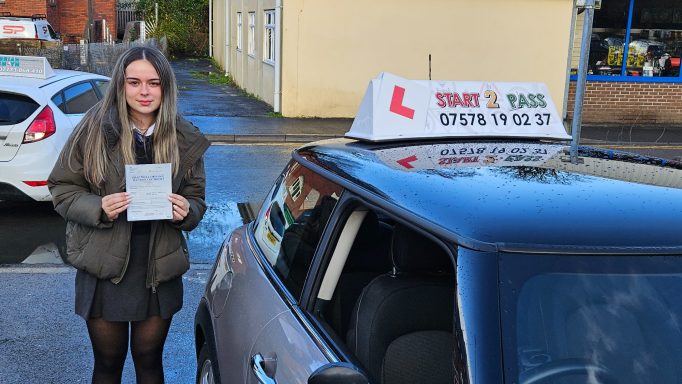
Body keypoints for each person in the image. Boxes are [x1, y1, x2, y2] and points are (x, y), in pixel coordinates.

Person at [48, 46, 209, 384]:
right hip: (104, 266)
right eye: (134, 82)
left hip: (157, 267)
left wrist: (186, 212)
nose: (144, 92)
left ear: (166, 87)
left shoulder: (184, 138)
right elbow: (62, 190)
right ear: (120, 85)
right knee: (108, 363)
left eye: (153, 82)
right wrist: (99, 207)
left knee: (149, 360)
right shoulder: (91, 130)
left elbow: (196, 200)